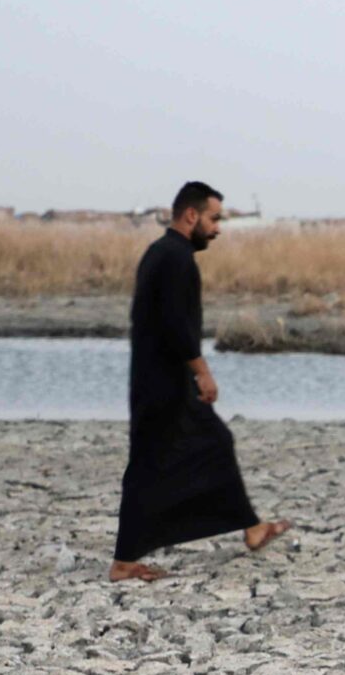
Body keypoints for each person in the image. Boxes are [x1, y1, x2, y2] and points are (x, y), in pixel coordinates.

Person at [109, 180, 289, 582]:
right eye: (214, 218)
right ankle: (124, 563)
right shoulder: (176, 259)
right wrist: (202, 372)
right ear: (191, 215)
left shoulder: (161, 252)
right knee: (172, 458)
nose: (218, 228)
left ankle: (252, 528)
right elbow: (176, 325)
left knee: (185, 453)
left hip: (155, 378)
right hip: (165, 382)